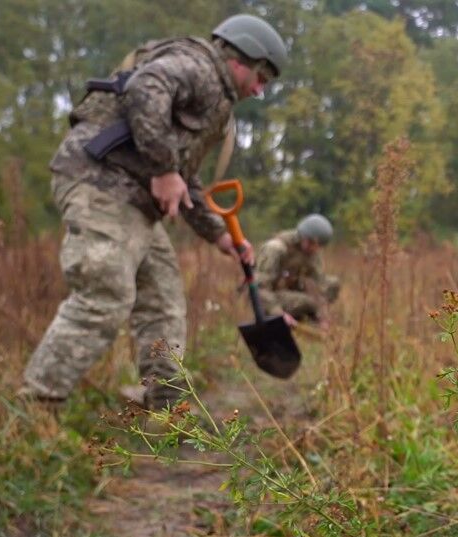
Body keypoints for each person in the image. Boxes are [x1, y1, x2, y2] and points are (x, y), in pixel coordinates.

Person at [19, 14, 289, 411]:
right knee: (105, 291)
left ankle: (167, 408)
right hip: (101, 183)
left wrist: (219, 234)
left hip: (134, 200)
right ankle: (35, 408)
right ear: (240, 60)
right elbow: (146, 87)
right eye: (261, 79)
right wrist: (163, 170)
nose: (260, 91)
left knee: (163, 302)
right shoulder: (198, 66)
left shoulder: (216, 100)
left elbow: (187, 180)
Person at [257, 214, 340, 328]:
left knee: (332, 284)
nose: (314, 249)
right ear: (302, 236)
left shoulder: (312, 253)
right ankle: (291, 319)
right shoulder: (276, 248)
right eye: (311, 243)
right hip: (270, 297)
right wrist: (279, 314)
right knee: (308, 302)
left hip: (291, 293)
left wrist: (323, 317)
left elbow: (316, 283)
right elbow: (260, 288)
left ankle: (309, 318)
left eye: (318, 246)